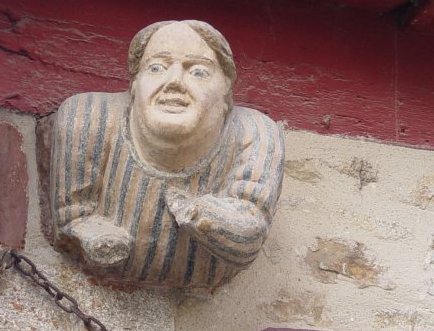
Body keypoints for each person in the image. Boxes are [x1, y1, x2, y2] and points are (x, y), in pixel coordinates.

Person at [50, 20, 285, 292]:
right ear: (135, 84)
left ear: (226, 90)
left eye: (198, 72)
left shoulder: (253, 132)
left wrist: (199, 214)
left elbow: (250, 229)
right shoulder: (89, 118)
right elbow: (73, 217)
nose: (174, 82)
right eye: (156, 68)